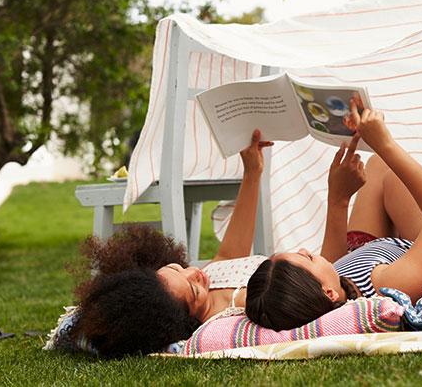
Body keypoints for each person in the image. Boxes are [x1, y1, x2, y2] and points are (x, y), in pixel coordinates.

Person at [245, 100, 422, 331]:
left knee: (375, 169)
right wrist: (384, 144)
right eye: (307, 258)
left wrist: (338, 197)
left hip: (380, 252)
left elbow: (333, 261)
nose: (305, 250)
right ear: (328, 293)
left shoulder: (333, 290)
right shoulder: (388, 286)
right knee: (383, 164)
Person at [71, 130, 273, 358]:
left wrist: (252, 172)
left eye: (178, 268)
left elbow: (229, 255)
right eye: (194, 291)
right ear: (186, 323)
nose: (195, 272)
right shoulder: (234, 311)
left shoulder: (205, 283)